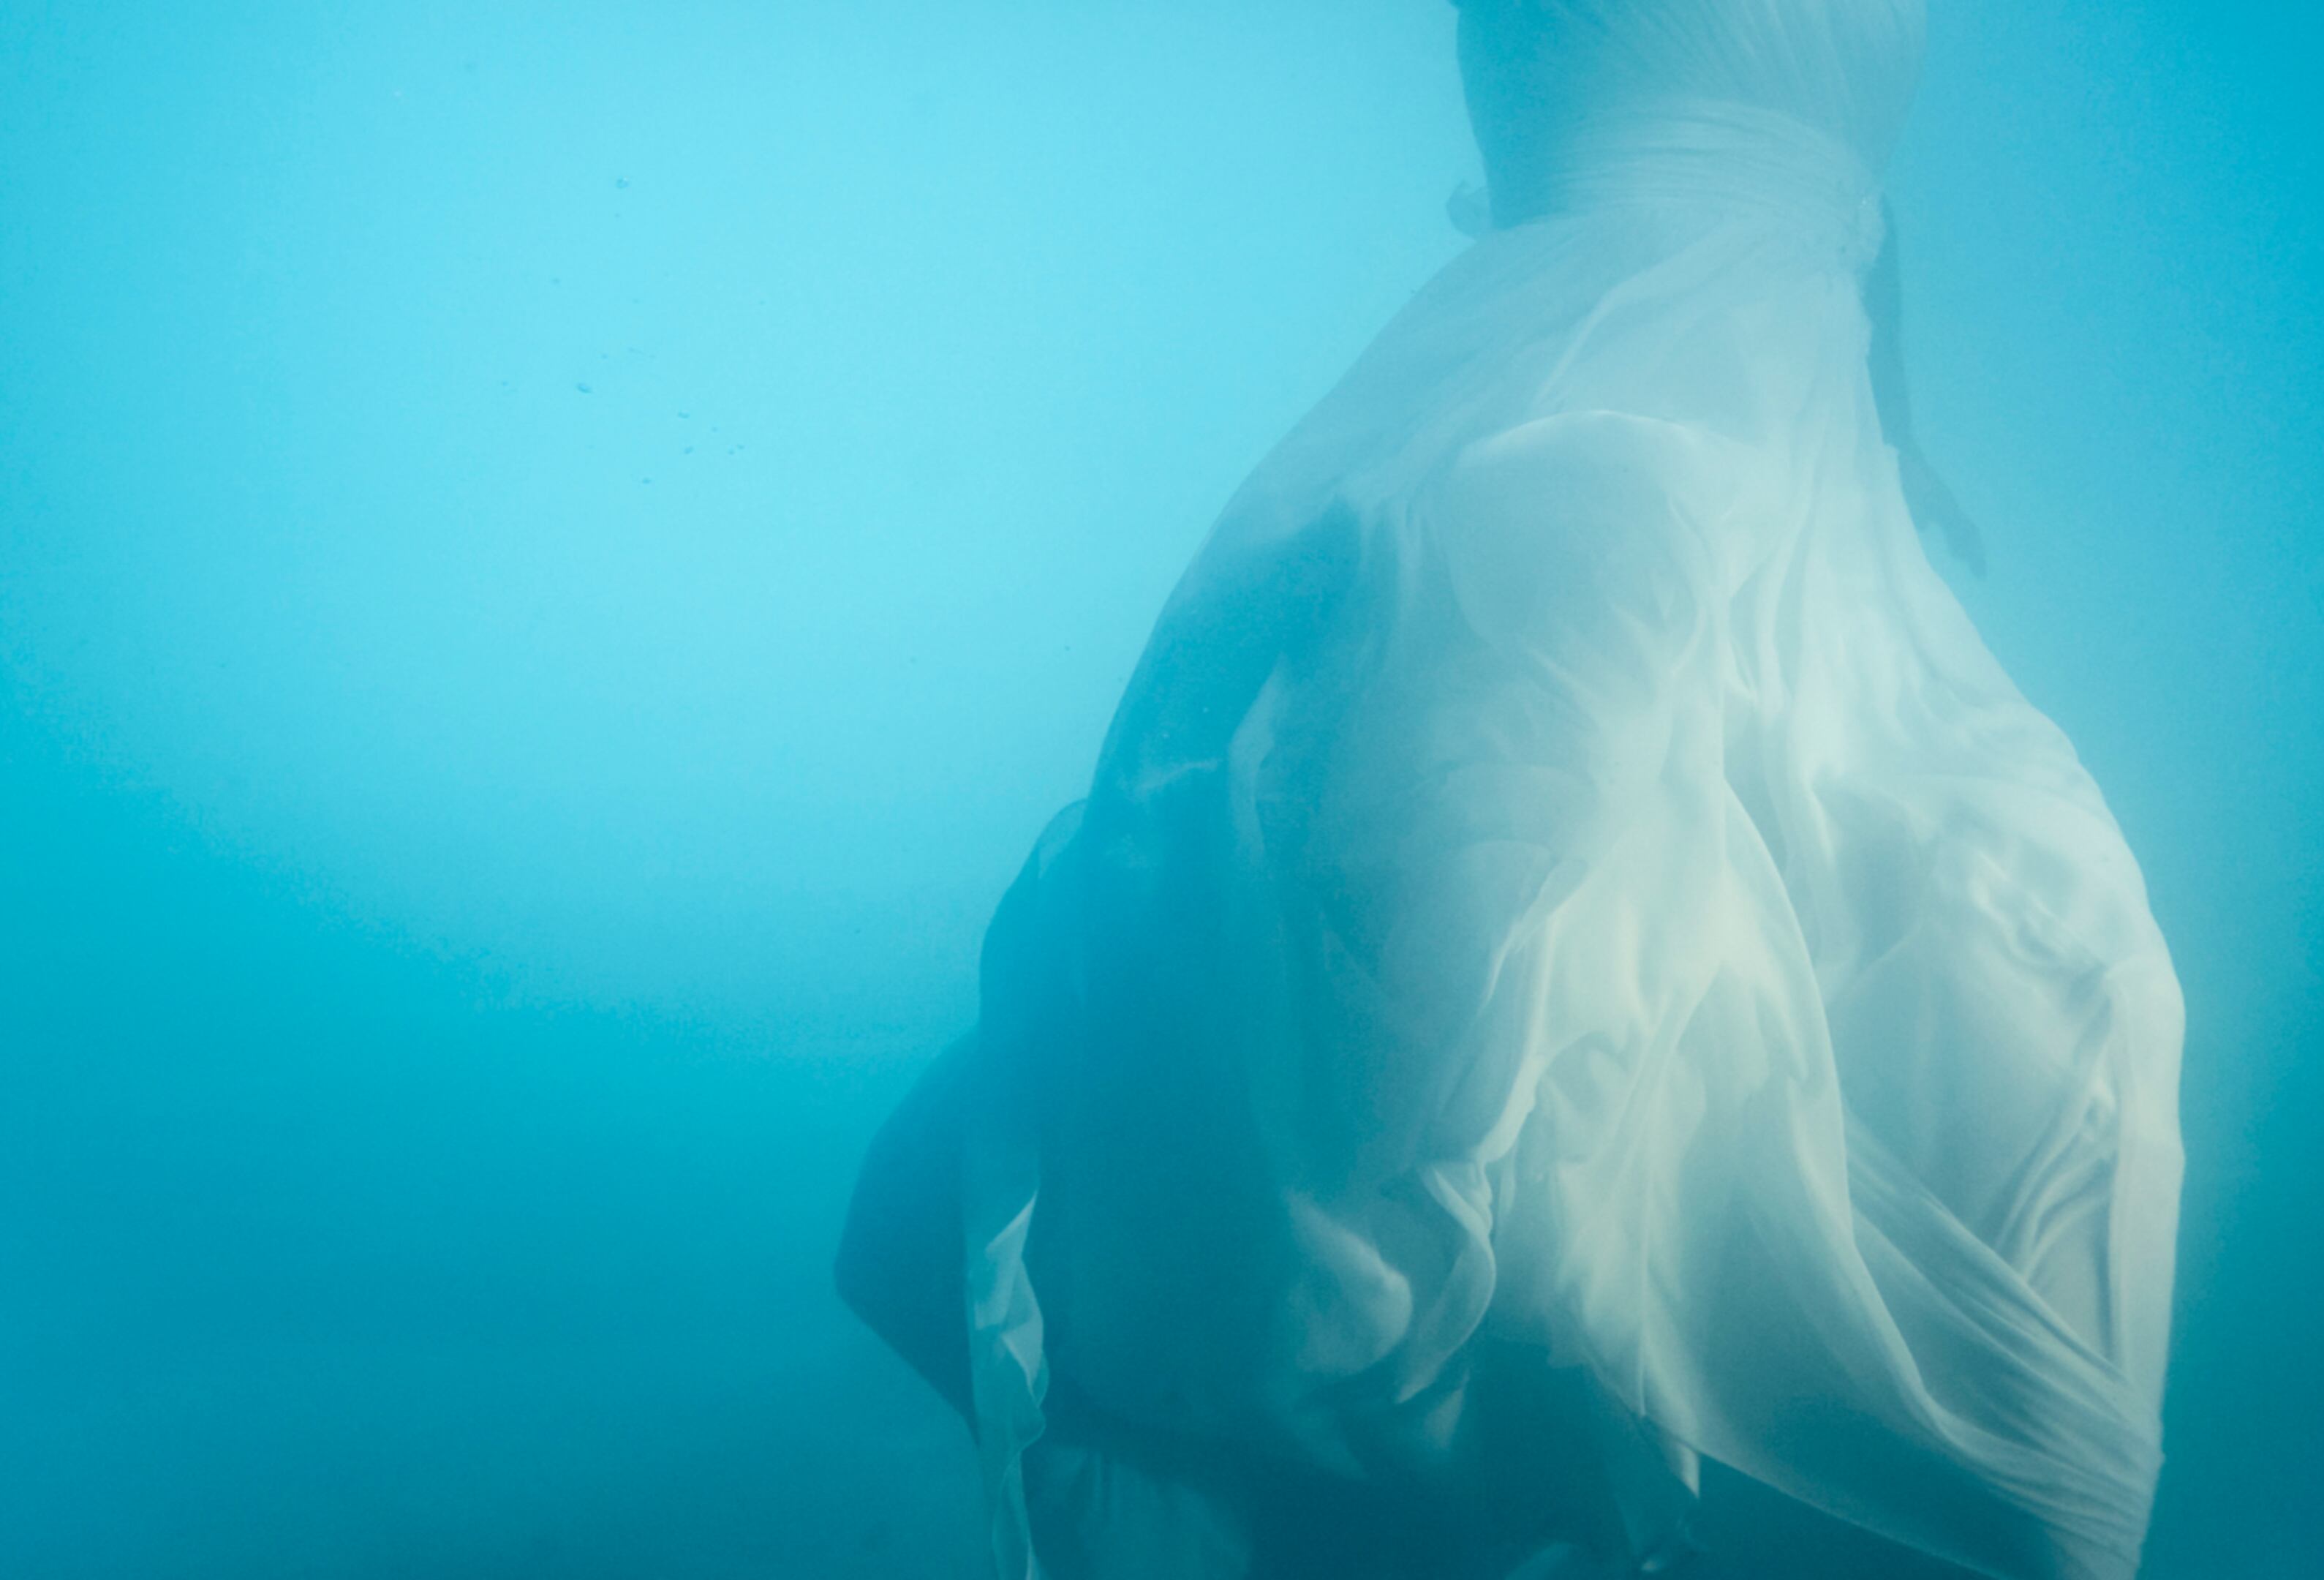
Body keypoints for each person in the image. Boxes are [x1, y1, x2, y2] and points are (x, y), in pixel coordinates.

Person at [839, 4, 2184, 1575]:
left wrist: (1895, 414)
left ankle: (1447, 1381)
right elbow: (1739, 188)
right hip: (1607, 379)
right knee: (1475, 873)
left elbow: (1840, 206)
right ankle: (1438, 1385)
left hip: (1727, 391)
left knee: (1827, 910)